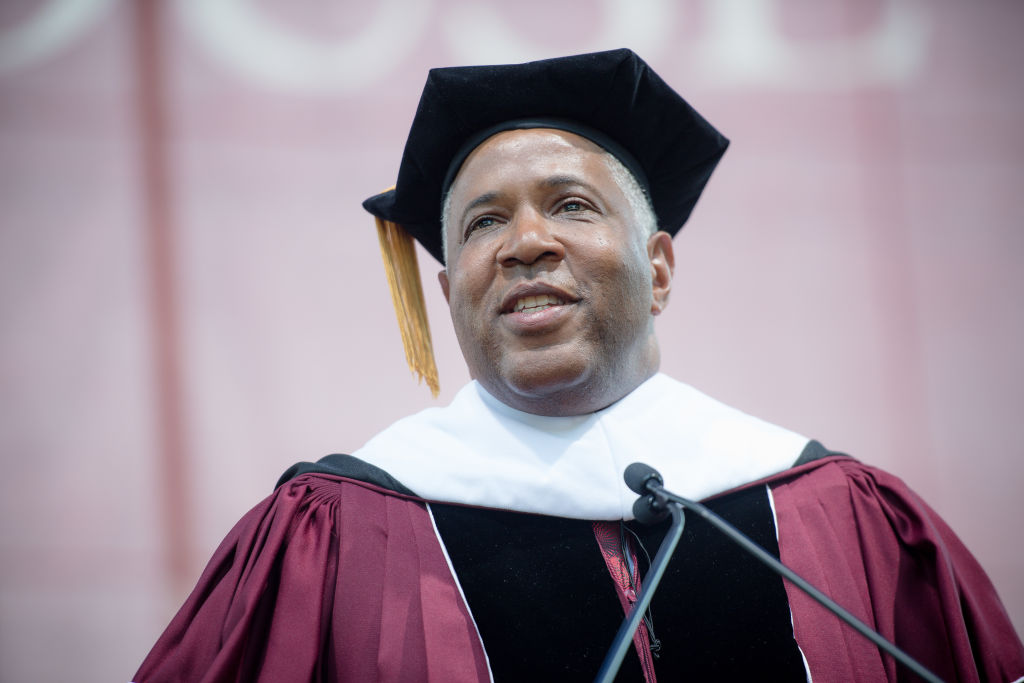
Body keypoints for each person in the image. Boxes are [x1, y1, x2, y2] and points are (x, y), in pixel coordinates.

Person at [134, 49, 1024, 682]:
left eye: (570, 205)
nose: (526, 243)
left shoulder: (840, 514)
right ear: (448, 295)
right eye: (482, 222)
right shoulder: (333, 534)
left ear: (661, 268)